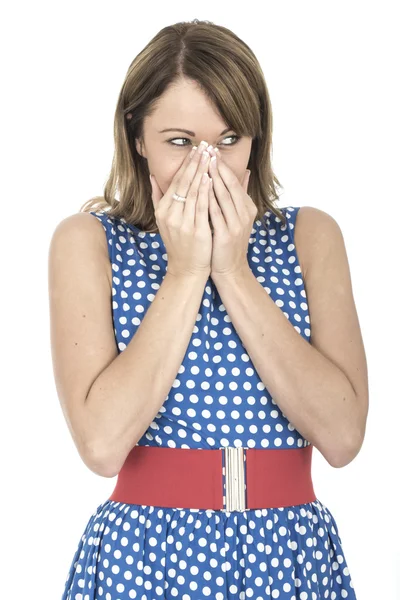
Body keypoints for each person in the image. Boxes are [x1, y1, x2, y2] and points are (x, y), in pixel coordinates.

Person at [49, 18, 368, 599]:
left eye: (228, 141)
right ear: (136, 136)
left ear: (255, 140)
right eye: (179, 142)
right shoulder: (89, 242)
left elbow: (344, 437)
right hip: (145, 556)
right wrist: (188, 270)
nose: (207, 167)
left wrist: (232, 270)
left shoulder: (310, 236)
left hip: (287, 554)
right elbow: (100, 445)